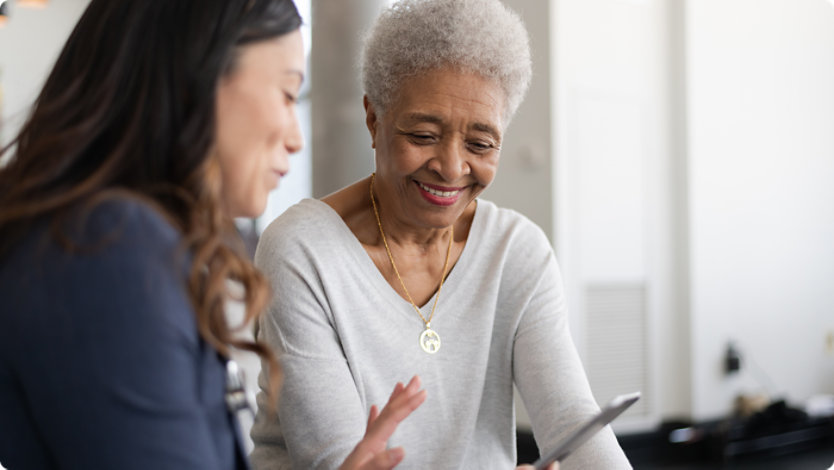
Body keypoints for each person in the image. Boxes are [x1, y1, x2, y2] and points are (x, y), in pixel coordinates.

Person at [0, 1, 426, 469]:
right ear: (197, 79)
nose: (295, 138)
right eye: (287, 94)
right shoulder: (109, 252)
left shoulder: (110, 240)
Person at [250, 0, 630, 468]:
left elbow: (572, 418)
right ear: (374, 119)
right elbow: (337, 459)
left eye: (480, 144)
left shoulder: (517, 252)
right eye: (423, 135)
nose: (451, 167)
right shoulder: (302, 251)